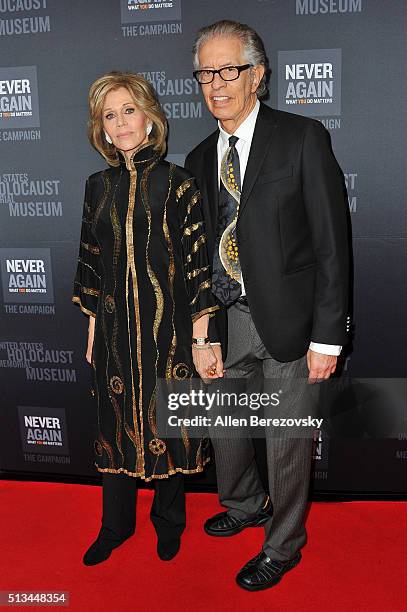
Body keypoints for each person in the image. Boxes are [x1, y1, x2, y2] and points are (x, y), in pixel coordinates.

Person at [185, 21, 351, 591]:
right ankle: (244, 503)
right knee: (224, 431)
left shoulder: (301, 137)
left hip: (291, 323)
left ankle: (283, 546)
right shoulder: (200, 156)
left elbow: (332, 242)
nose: (216, 84)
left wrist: (328, 338)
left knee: (286, 443)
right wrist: (201, 332)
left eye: (229, 70)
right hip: (225, 320)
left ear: (257, 75)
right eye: (206, 72)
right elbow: (200, 253)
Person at [72, 71, 219, 566]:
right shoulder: (97, 187)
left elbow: (200, 266)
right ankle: (114, 526)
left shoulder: (178, 185)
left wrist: (201, 337)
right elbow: (91, 262)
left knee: (170, 424)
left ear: (149, 118)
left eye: (128, 111)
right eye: (110, 116)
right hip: (114, 333)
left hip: (171, 333)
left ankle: (168, 523)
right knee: (113, 426)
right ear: (103, 129)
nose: (120, 123)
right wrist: (93, 327)